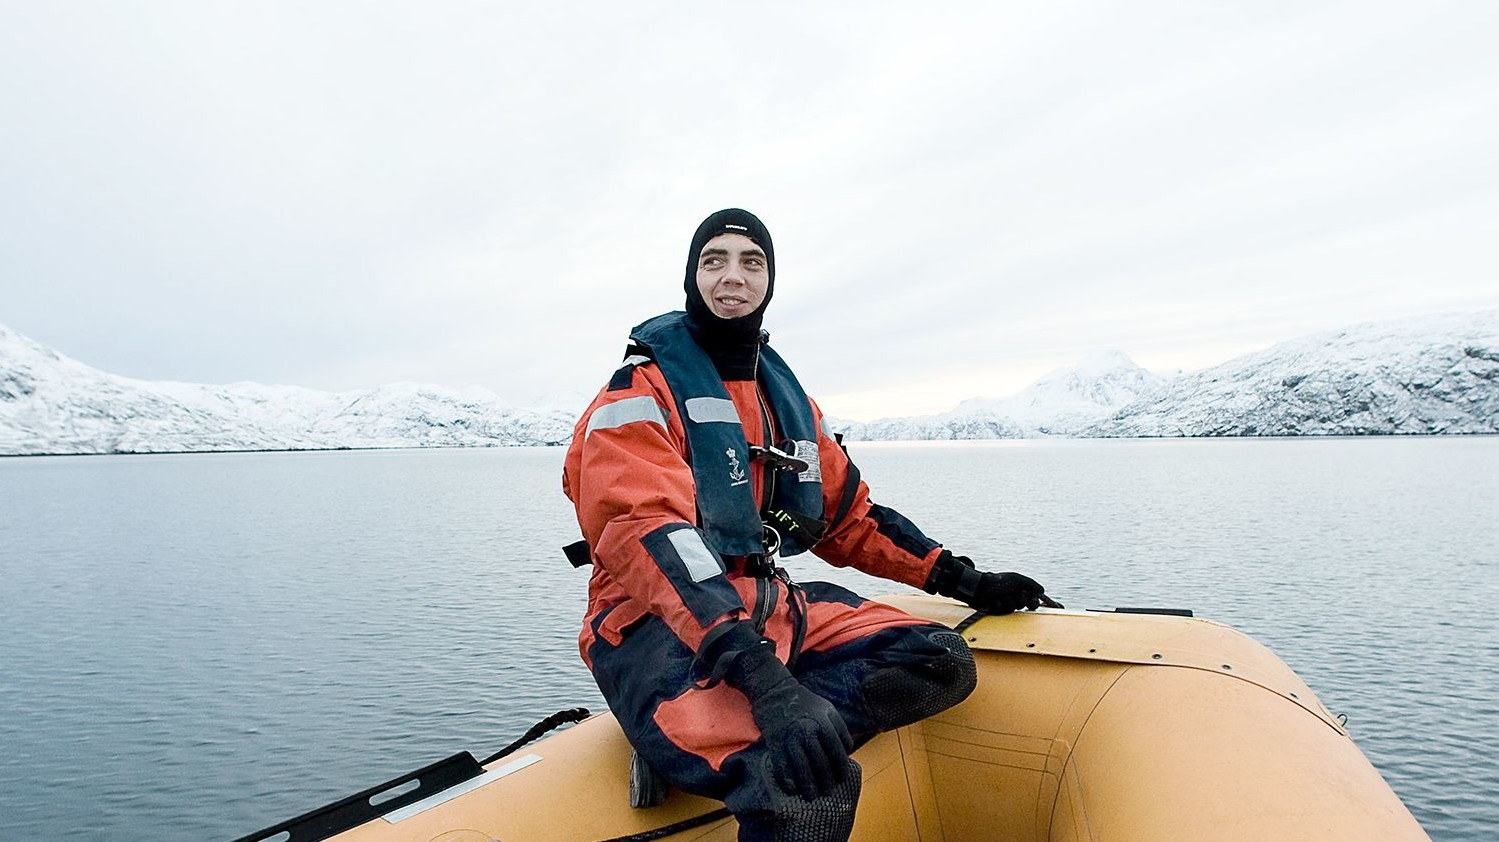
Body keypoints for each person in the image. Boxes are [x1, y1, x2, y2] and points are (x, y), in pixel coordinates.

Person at [561, 208, 1056, 842]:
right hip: (654, 623)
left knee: (940, 662)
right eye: (714, 261)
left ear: (769, 281)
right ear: (692, 277)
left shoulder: (784, 400)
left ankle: (740, 730)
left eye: (751, 262)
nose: (732, 276)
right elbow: (647, 534)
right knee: (810, 794)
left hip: (763, 603)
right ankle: (721, 734)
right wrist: (765, 682)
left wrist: (963, 579)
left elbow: (849, 519)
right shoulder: (637, 393)